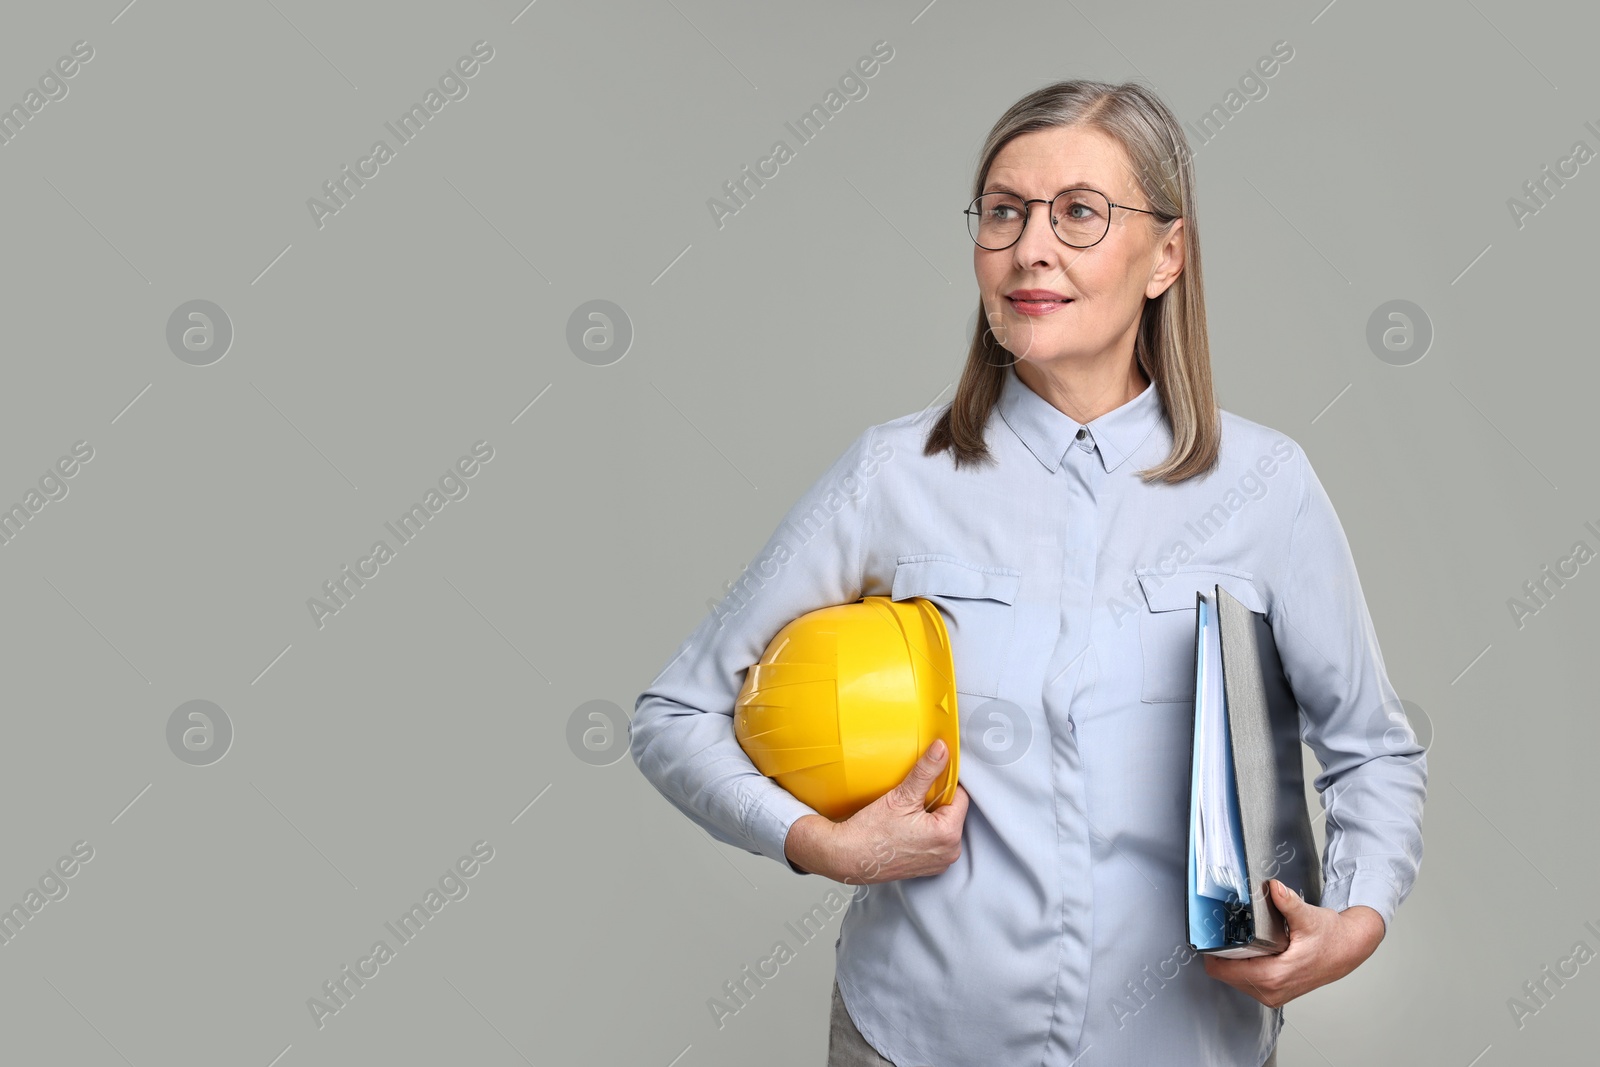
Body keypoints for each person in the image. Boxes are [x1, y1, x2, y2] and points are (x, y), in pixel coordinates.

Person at [630, 79, 1426, 1067]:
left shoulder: (1264, 486)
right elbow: (673, 714)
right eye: (1003, 212)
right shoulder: (892, 475)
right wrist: (813, 840)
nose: (1029, 248)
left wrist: (1353, 917)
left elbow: (1371, 750)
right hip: (911, 1040)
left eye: (1079, 213)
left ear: (1165, 255)